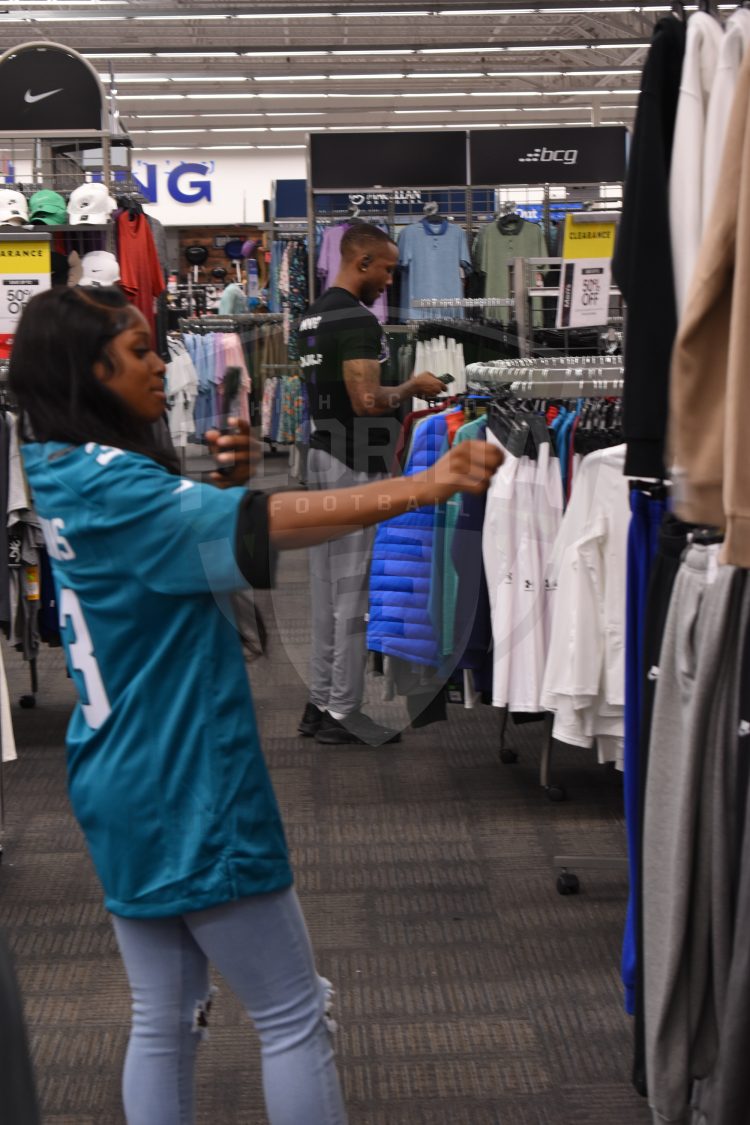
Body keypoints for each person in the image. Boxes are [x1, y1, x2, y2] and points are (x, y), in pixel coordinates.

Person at [9, 285, 501, 1125]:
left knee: (165, 1016)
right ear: (86, 373)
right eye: (138, 352)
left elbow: (187, 543)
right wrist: (426, 484)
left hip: (117, 773)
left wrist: (220, 485)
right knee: (294, 1014)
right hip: (187, 779)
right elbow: (271, 523)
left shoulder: (57, 466)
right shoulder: (119, 488)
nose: (163, 362)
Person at [298, 223, 446, 747]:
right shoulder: (357, 321)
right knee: (354, 593)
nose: (390, 279)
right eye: (386, 268)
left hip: (320, 456)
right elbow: (366, 400)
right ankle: (343, 713)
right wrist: (413, 385)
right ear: (361, 263)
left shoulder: (313, 315)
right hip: (353, 465)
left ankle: (319, 704)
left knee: (325, 590)